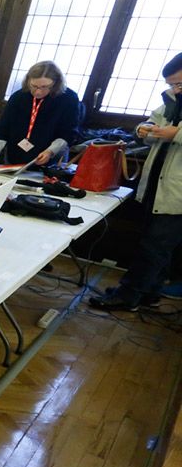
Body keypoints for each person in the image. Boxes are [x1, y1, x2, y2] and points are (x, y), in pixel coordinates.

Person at [90, 53, 182, 312]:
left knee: (155, 246)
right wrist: (145, 129)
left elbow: (173, 133)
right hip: (157, 181)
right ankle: (148, 293)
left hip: (177, 190)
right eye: (171, 84)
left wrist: (177, 134)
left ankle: (128, 296)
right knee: (155, 245)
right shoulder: (172, 101)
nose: (174, 89)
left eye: (179, 84)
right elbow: (153, 123)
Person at [0, 60, 81, 167]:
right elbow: (2, 129)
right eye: (34, 86)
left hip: (50, 160)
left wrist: (50, 152)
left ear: (56, 83)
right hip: (15, 157)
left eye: (44, 87)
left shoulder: (68, 99)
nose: (38, 92)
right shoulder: (18, 97)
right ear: (28, 81)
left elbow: (68, 133)